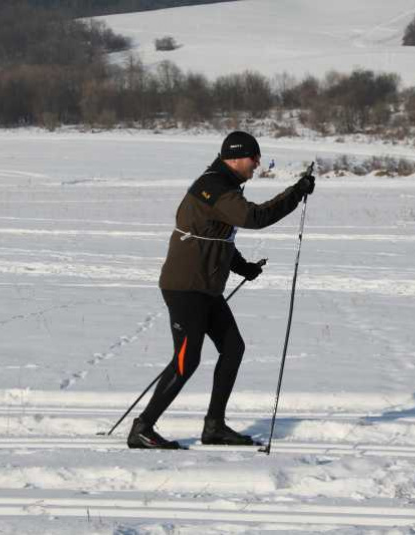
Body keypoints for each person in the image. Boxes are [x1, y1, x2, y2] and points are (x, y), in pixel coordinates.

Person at [127, 131, 316, 449]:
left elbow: (217, 236)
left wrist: (243, 267)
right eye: (254, 157)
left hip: (205, 289)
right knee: (186, 361)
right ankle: (142, 428)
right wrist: (296, 193)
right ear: (236, 156)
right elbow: (254, 217)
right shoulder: (213, 186)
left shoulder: (223, 186)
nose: (257, 163)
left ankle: (214, 427)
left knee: (233, 348)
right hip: (185, 288)